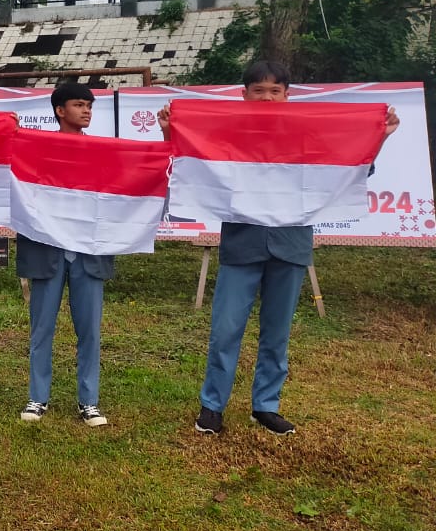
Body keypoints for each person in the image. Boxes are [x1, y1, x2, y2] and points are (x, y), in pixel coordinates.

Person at [158, 60, 400, 435]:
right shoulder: (228, 135)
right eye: (259, 90)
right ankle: (212, 406)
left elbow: (350, 167)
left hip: (289, 246)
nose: (268, 97)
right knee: (226, 330)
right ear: (244, 95)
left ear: (288, 96)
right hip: (242, 246)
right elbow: (191, 168)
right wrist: (171, 133)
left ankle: (265, 406)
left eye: (276, 91)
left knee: (277, 333)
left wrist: (378, 137)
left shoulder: (310, 134)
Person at [16, 83, 113, 427]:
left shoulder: (103, 151)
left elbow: (137, 174)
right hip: (48, 251)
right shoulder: (38, 148)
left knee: (89, 331)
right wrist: (8, 134)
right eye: (78, 104)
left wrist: (166, 135)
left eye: (89, 105)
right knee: (42, 329)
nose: (86, 110)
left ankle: (89, 401)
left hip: (88, 252)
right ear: (59, 110)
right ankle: (37, 397)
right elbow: (6, 164)